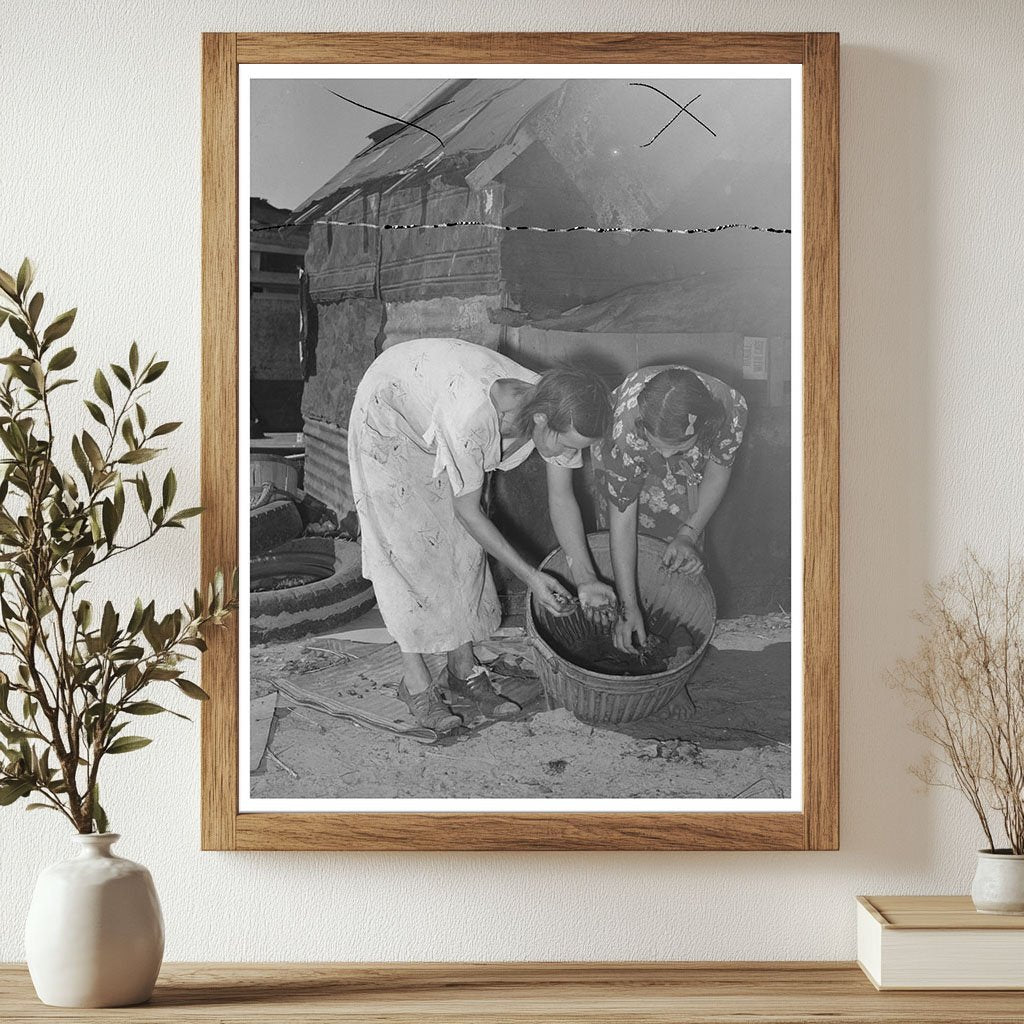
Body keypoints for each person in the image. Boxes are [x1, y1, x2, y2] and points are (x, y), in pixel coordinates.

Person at [348, 338, 618, 734]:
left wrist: (587, 578)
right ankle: (415, 681)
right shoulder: (473, 416)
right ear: (541, 419)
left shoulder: (559, 407)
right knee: (407, 548)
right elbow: (468, 512)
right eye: (566, 444)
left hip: (434, 409)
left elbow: (562, 498)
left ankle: (462, 669)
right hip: (387, 414)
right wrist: (531, 577)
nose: (568, 453)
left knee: (464, 548)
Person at [592, 365, 747, 655]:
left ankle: (665, 622)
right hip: (629, 448)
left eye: (677, 446)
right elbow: (622, 521)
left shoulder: (729, 410)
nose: (664, 455)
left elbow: (718, 472)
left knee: (679, 543)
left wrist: (688, 534)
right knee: (621, 551)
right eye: (659, 446)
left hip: (688, 467)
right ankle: (626, 616)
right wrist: (628, 607)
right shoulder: (624, 429)